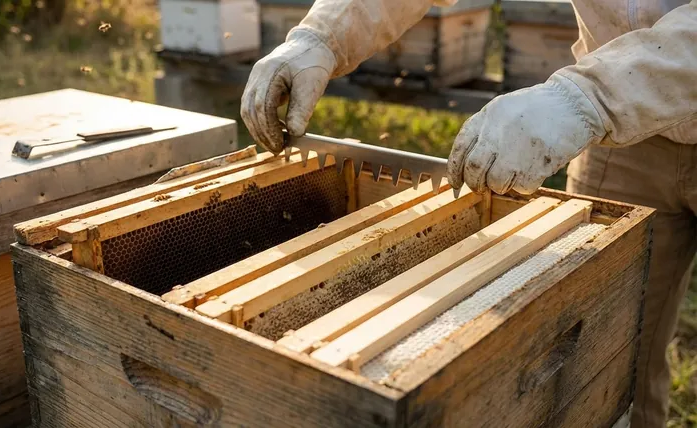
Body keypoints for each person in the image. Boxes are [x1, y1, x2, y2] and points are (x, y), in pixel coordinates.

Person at [239, 0, 697, 426]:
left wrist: (590, 97)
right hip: (624, 138)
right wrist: (323, 36)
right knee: (608, 351)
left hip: (610, 97)